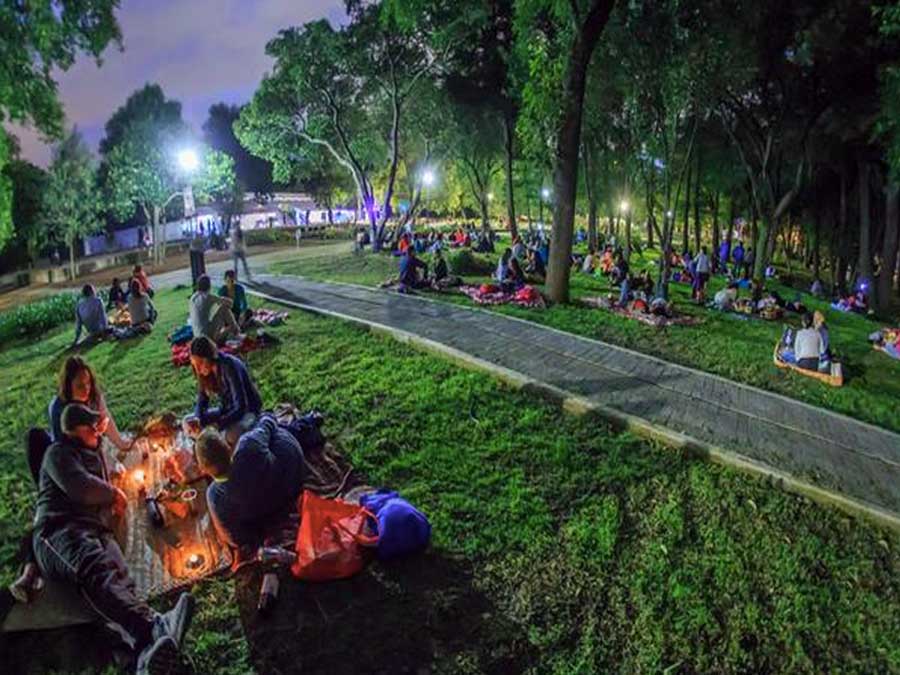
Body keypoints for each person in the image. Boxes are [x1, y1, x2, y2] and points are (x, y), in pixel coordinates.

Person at [32, 403, 195, 672]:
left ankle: (143, 658)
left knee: (122, 578)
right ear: (75, 430)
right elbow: (82, 489)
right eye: (91, 428)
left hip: (94, 530)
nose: (97, 433)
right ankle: (156, 625)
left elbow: (104, 502)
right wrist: (114, 494)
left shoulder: (93, 454)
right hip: (60, 531)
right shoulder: (57, 453)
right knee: (94, 569)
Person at [195, 416, 305, 552]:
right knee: (265, 433)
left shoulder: (215, 496)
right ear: (229, 448)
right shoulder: (248, 445)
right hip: (294, 477)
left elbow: (234, 539)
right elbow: (269, 422)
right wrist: (264, 418)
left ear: (202, 469)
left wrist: (258, 534)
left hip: (277, 507)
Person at [48, 356, 132, 452]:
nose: (86, 389)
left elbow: (105, 415)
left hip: (94, 446)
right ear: (68, 386)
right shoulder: (59, 408)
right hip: (73, 453)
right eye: (80, 386)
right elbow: (61, 447)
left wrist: (120, 443)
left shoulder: (94, 394)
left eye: (88, 383)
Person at [186, 336, 262, 442]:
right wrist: (197, 419)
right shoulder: (205, 373)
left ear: (209, 356)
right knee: (187, 421)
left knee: (231, 434)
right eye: (195, 365)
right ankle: (207, 446)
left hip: (248, 411)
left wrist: (218, 425)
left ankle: (222, 448)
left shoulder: (229, 366)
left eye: (200, 363)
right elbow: (202, 400)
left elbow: (241, 407)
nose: (198, 369)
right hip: (227, 410)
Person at [189, 275, 240, 343]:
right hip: (207, 337)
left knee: (220, 311)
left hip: (197, 335)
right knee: (224, 308)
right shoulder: (208, 297)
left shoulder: (193, 297)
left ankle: (233, 329)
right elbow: (230, 303)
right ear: (209, 285)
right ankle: (236, 330)